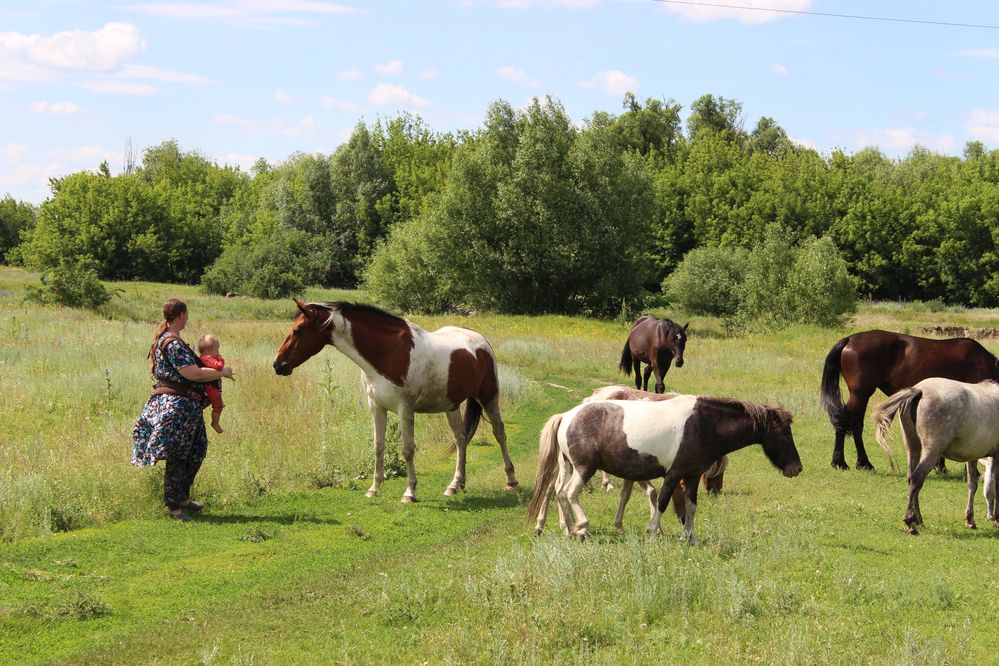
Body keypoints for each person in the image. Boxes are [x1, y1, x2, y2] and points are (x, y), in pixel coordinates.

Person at [131, 299, 235, 521]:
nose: (187, 317)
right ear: (181, 315)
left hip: (187, 406)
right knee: (178, 455)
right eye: (186, 314)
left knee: (197, 449)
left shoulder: (172, 340)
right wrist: (221, 372)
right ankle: (174, 508)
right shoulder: (173, 343)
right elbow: (193, 374)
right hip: (178, 406)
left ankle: (183, 497)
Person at [197, 334, 226, 434]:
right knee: (218, 406)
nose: (218, 353)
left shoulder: (203, 357)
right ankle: (215, 423)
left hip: (210, 386)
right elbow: (218, 367)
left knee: (218, 403)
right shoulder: (208, 358)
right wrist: (221, 359)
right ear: (209, 350)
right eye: (217, 350)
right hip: (211, 387)